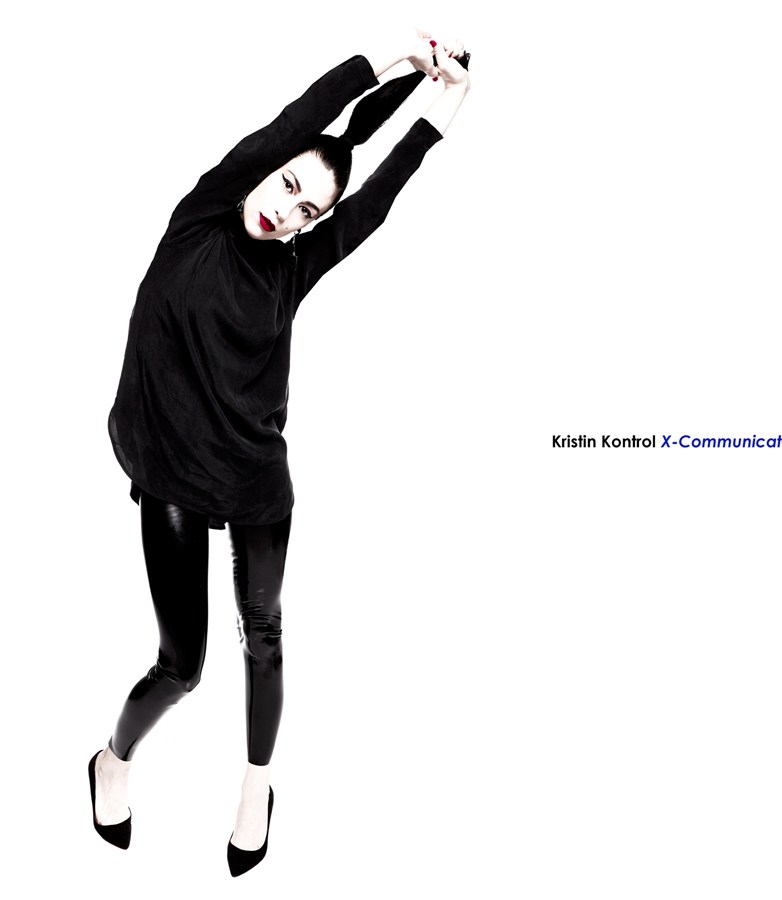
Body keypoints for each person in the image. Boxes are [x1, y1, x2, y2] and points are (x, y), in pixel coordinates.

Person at [88, 26, 470, 876]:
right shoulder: (204, 212)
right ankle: (112, 761)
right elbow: (306, 114)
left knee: (265, 640)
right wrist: (396, 58)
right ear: (272, 166)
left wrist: (451, 98)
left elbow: (384, 191)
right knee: (181, 668)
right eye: (290, 184)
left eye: (306, 210)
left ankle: (257, 785)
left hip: (255, 474)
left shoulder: (292, 268)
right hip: (173, 468)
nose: (286, 209)